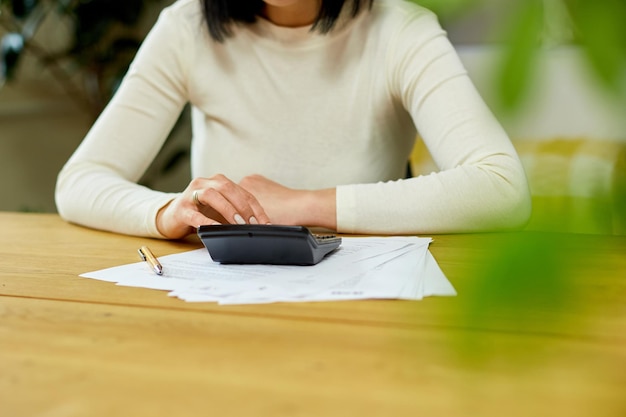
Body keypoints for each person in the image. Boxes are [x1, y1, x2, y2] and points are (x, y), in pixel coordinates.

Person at [55, 0, 531, 239]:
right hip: (225, 299)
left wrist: (303, 204)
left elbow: (501, 188)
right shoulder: (186, 28)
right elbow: (79, 181)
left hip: (364, 300)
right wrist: (165, 212)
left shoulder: (400, 29)